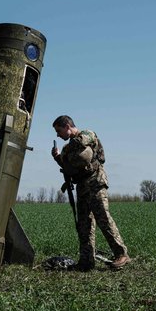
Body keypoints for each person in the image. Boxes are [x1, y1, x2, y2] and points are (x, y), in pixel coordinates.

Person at [51, 115, 130, 270]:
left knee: (103, 218)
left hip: (95, 181)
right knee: (84, 224)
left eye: (59, 131)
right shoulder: (68, 147)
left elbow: (81, 142)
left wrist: (67, 152)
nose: (58, 135)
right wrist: (58, 158)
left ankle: (121, 254)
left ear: (67, 126)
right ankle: (86, 261)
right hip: (82, 185)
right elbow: (68, 167)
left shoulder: (87, 134)